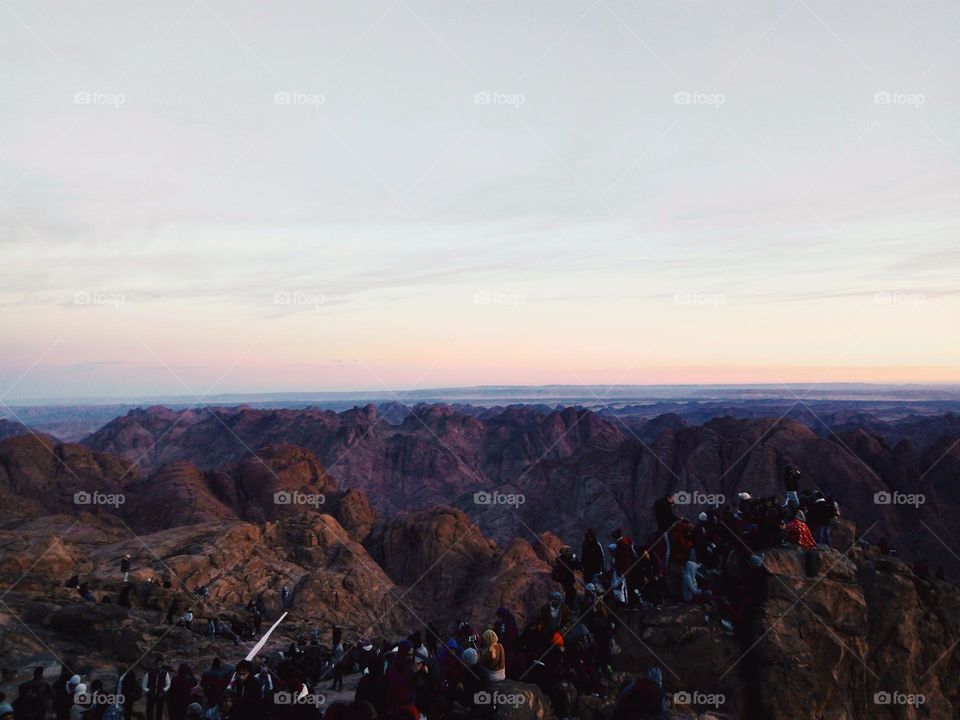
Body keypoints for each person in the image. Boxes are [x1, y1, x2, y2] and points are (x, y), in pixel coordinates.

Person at [653, 496, 679, 566]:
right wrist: (678, 520)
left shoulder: (662, 505)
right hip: (665, 530)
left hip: (662, 528)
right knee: (668, 549)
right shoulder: (665, 507)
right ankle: (666, 566)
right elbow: (670, 516)